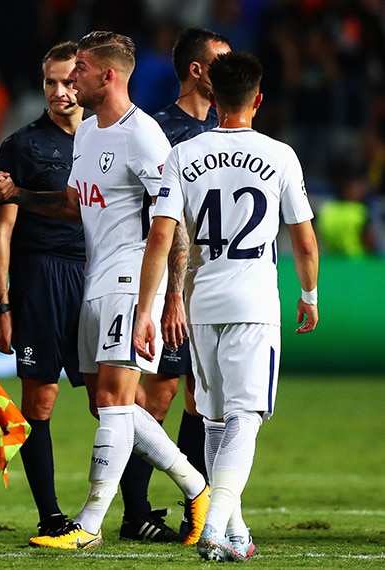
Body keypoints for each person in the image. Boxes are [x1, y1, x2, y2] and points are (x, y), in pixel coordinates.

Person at [0, 31, 209, 550]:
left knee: (111, 400)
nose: (71, 79)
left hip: (129, 281)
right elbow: (72, 204)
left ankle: (87, 525)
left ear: (107, 75)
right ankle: (195, 486)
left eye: (80, 69)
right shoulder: (88, 135)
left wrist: (151, 305)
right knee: (105, 404)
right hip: (95, 279)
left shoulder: (143, 135)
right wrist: (18, 193)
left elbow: (166, 224)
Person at [132, 50, 319, 562]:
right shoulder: (280, 155)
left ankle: (234, 530)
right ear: (258, 99)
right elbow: (303, 240)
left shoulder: (183, 155)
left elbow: (160, 237)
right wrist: (309, 294)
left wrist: (147, 309)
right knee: (246, 416)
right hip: (255, 300)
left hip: (202, 301)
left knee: (215, 421)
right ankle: (215, 525)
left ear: (212, 97)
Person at [117, 27, 232, 542]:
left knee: (202, 400)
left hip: (218, 282)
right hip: (174, 285)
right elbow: (158, 220)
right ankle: (136, 511)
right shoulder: (162, 130)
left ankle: (197, 508)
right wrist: (168, 293)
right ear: (197, 70)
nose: (230, 72)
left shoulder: (235, 131)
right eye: (221, 63)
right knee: (156, 397)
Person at [0, 40, 86, 540]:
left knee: (113, 399)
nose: (60, 91)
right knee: (40, 401)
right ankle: (51, 515)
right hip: (40, 277)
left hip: (98, 276)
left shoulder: (109, 140)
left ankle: (135, 511)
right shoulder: (23, 145)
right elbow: (1, 229)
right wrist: (1, 305)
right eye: (51, 81)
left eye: (70, 81)